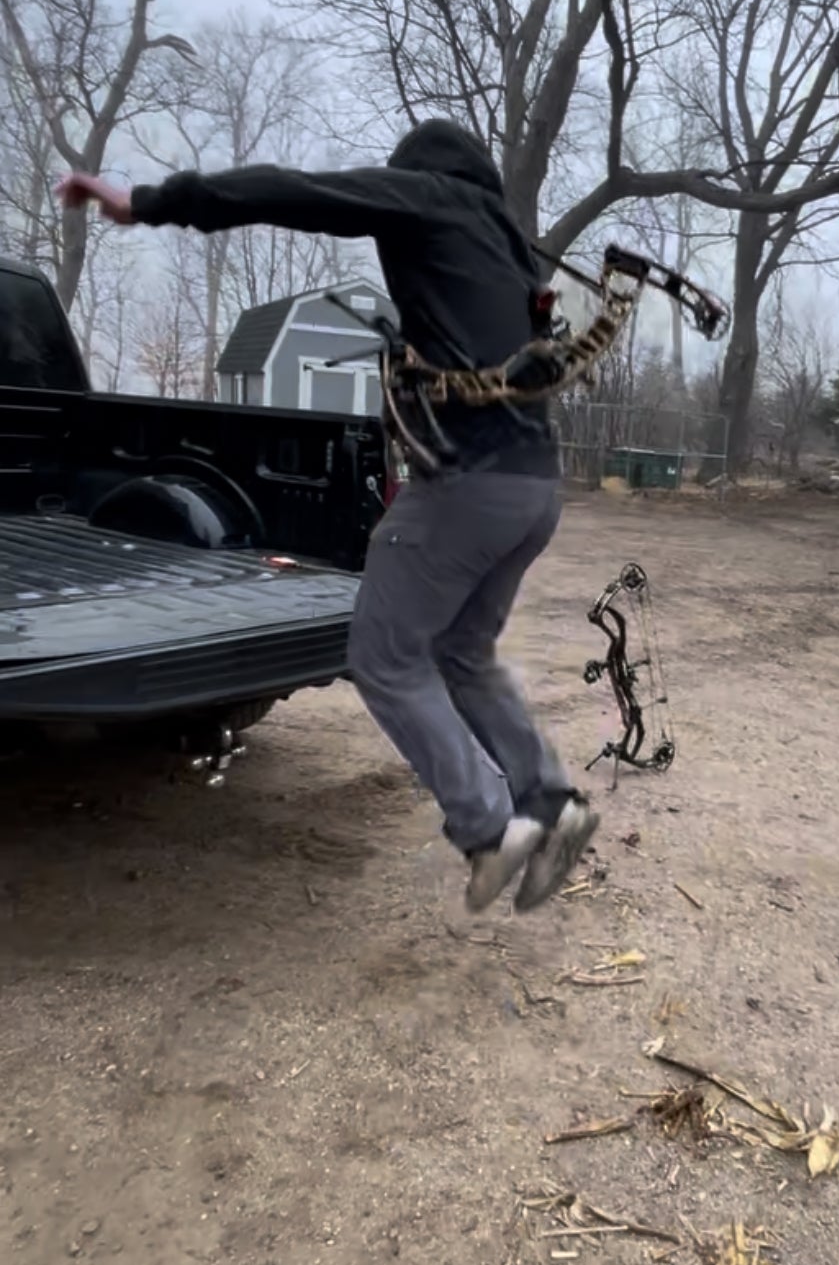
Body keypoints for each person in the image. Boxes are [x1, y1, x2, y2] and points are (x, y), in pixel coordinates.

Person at [57, 120, 600, 912]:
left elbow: (296, 192)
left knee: (383, 658)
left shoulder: (425, 197)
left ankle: (489, 826)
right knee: (462, 649)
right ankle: (550, 801)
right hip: (533, 491)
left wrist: (151, 200)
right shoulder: (509, 245)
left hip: (466, 486)